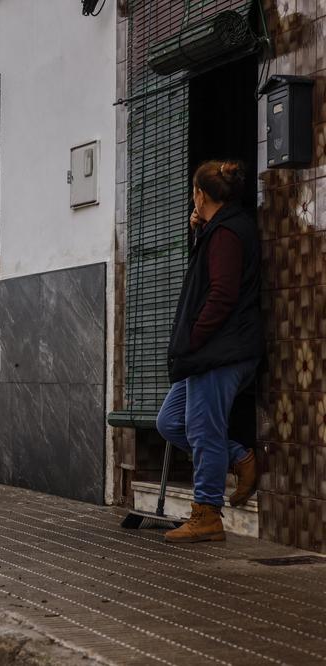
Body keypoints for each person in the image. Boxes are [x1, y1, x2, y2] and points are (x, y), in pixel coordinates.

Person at [157, 160, 264, 544]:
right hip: (210, 352)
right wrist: (198, 231)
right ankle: (239, 457)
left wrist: (193, 339)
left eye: (193, 192)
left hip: (221, 351)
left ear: (200, 194)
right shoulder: (216, 231)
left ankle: (207, 514)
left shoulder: (228, 234)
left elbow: (221, 295)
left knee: (204, 429)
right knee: (170, 421)